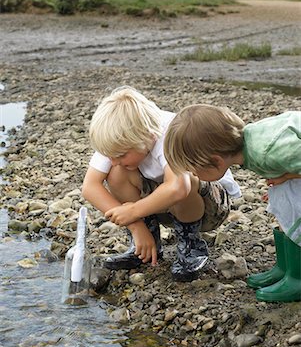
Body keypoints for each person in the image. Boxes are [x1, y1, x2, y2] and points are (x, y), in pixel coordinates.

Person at [82, 87, 241, 282]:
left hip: (210, 206)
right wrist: (136, 227)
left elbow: (178, 187)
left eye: (121, 155)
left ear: (147, 137)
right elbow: (90, 187)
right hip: (162, 206)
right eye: (111, 155)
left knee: (186, 179)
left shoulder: (171, 131)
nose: (114, 160)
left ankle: (190, 246)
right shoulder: (116, 137)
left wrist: (132, 211)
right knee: (116, 173)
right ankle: (147, 245)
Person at [164, 104, 301, 301]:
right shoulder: (249, 147)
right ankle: (285, 268)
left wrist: (286, 176)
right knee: (282, 205)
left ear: (216, 161)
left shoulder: (266, 151)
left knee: (295, 212)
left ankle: (297, 278)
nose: (194, 176)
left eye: (194, 171)